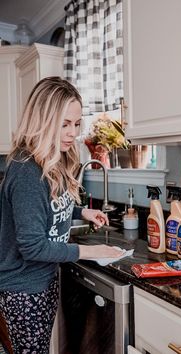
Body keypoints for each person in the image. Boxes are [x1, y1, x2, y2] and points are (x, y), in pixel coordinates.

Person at [0, 76, 124, 353]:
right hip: (23, 289)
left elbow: (45, 206)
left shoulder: (50, 160)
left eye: (77, 124)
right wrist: (91, 252)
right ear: (42, 122)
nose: (73, 133)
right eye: (64, 124)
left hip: (42, 280)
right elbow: (31, 246)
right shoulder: (27, 170)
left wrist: (83, 211)